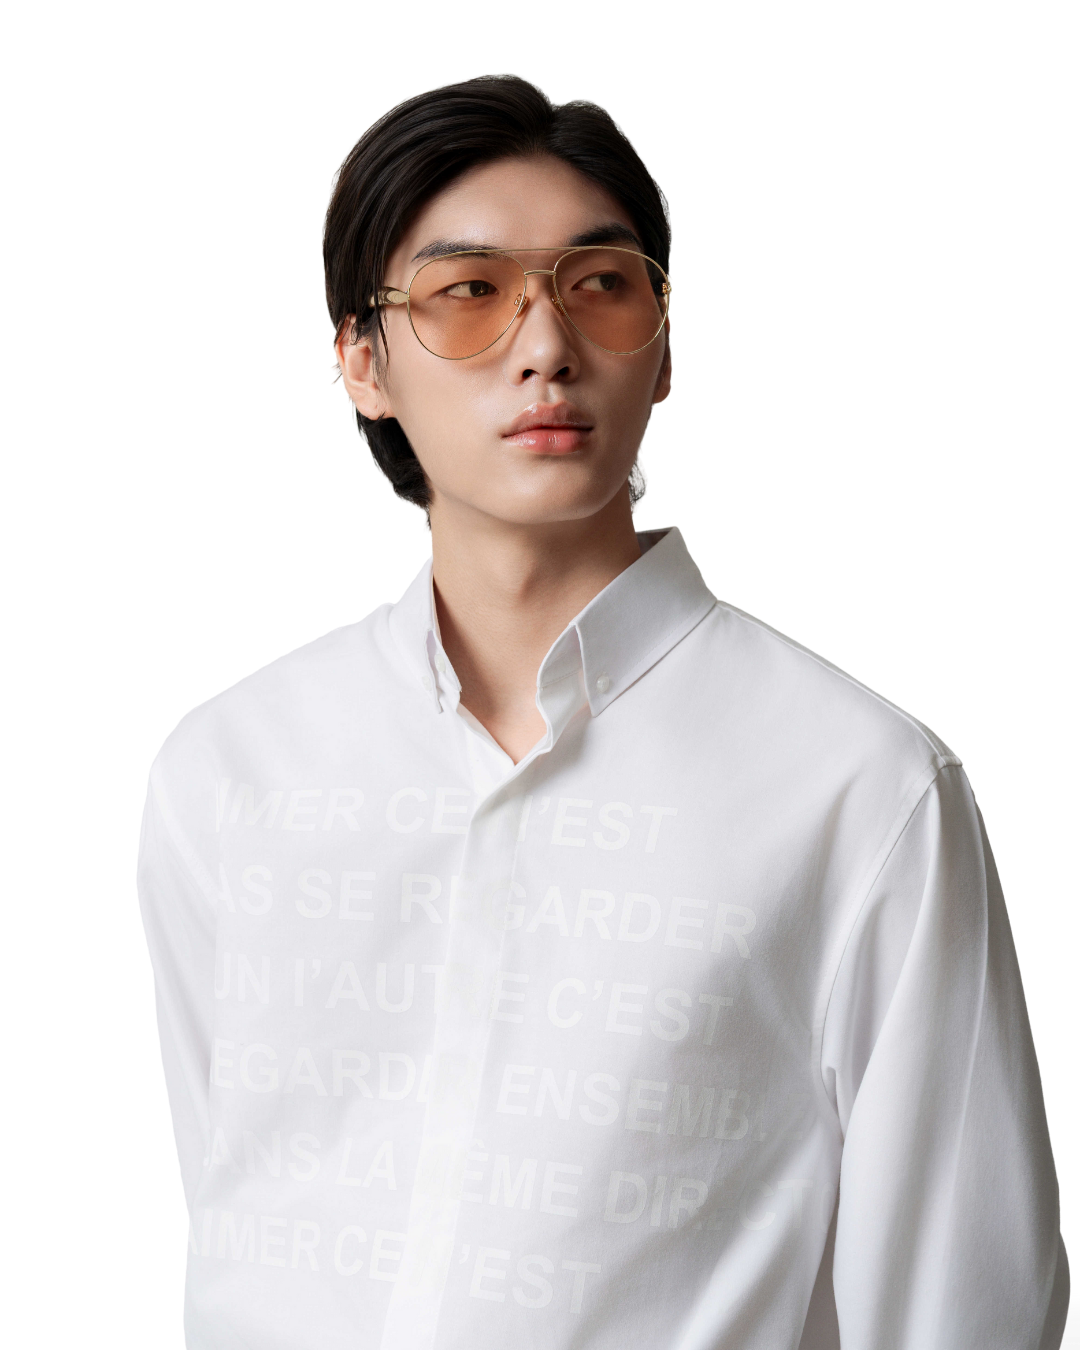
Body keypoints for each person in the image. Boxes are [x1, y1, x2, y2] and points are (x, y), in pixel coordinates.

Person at [135, 73, 1069, 1349]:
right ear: (360, 362)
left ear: (665, 351)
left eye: (601, 284)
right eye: (470, 292)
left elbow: (965, 1308)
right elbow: (233, 1206)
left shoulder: (862, 787)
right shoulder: (231, 766)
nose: (546, 346)